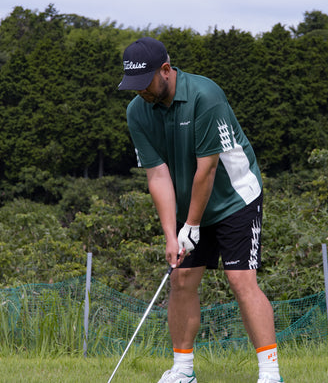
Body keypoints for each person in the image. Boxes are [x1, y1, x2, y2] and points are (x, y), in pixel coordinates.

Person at [118, 37, 284, 383]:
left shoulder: (205, 96)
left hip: (234, 198)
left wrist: (192, 224)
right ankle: (183, 370)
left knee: (241, 282)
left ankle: (270, 374)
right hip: (187, 200)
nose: (140, 93)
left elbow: (206, 169)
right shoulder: (138, 110)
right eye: (134, 86)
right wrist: (171, 235)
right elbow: (158, 174)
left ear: (165, 70)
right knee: (181, 279)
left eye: (144, 83)